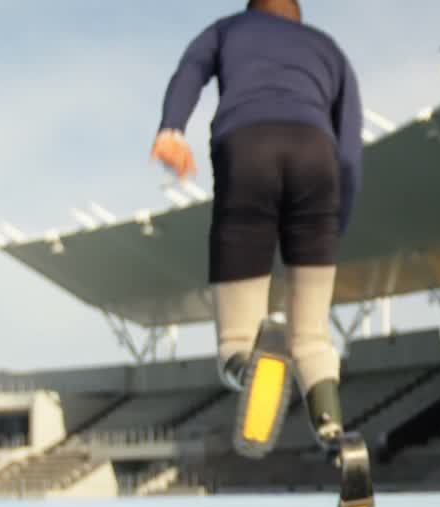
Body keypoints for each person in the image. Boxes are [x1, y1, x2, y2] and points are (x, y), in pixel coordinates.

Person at [150, 0, 362, 449]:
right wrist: (329, 230)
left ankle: (249, 367)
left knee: (237, 338)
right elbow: (349, 152)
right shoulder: (329, 49)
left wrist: (171, 129)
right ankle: (336, 436)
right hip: (317, 159)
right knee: (311, 338)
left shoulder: (227, 30)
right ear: (297, 16)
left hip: (248, 147)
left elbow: (190, 69)